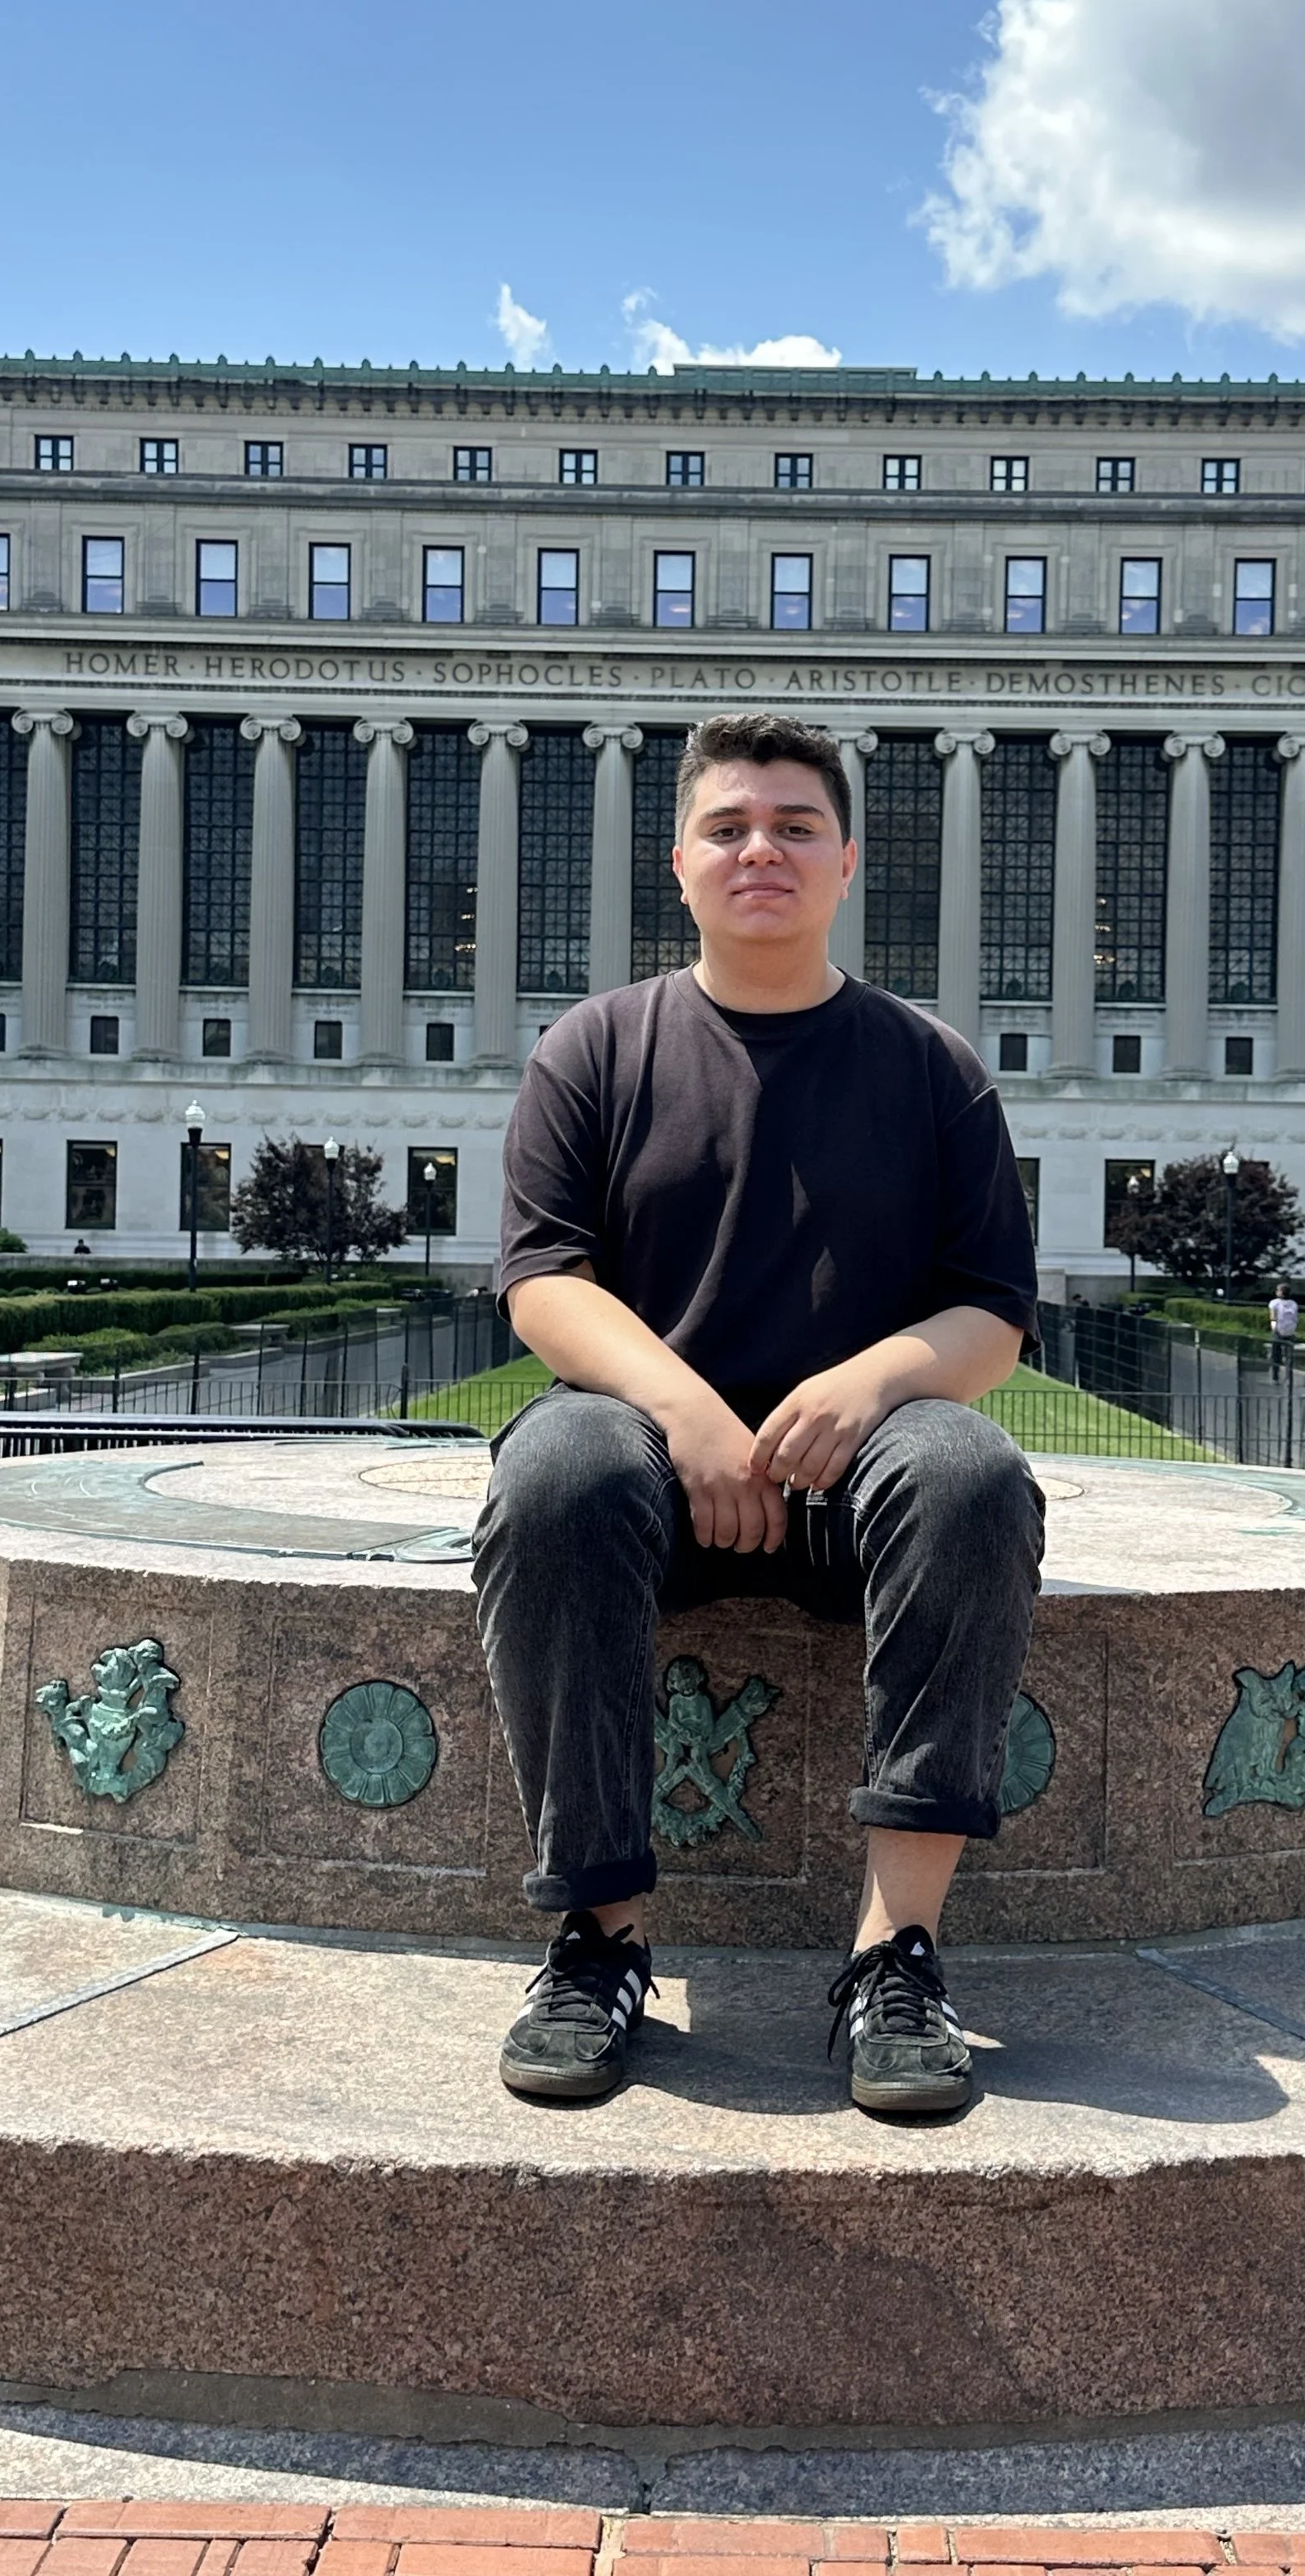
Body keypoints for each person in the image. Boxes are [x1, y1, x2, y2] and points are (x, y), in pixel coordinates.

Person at [476, 713, 1041, 2119]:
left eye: (795, 826)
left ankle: (893, 1951)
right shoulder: (595, 1050)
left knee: (971, 1473)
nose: (761, 849)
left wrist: (867, 1383)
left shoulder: (932, 1067)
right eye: (730, 826)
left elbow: (991, 1315)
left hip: (861, 1479)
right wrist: (687, 1413)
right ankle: (599, 1940)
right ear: (680, 863)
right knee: (554, 1465)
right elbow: (545, 1286)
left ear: (846, 861)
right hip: (646, 1481)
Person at [1267, 1281, 1300, 1380]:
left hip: (1278, 1330)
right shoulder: (1294, 1304)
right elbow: (1295, 1318)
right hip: (1290, 1331)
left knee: (1276, 1354)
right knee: (1289, 1354)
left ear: (1280, 1292)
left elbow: (1273, 1317)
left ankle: (1275, 1375)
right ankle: (1289, 1375)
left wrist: (1274, 1329)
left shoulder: (1274, 1303)